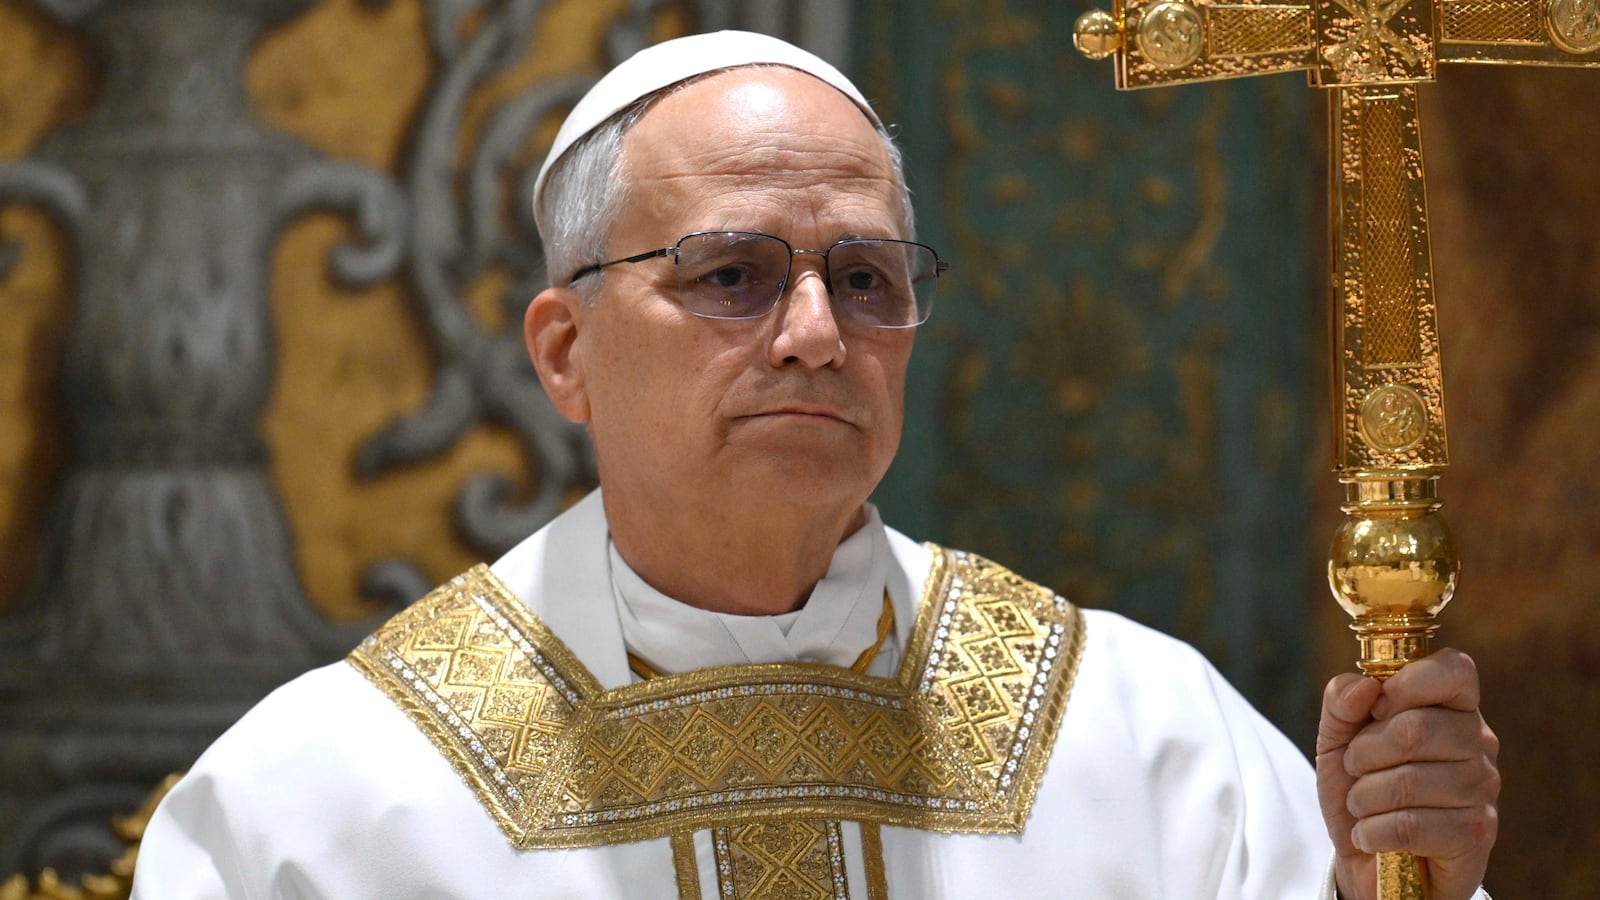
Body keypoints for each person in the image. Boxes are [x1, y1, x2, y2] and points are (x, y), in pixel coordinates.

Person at [131, 30, 1499, 900]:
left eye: (866, 279)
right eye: (731, 275)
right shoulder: (328, 795)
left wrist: (1388, 886)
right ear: (564, 351)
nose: (813, 335)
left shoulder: (1139, 736)